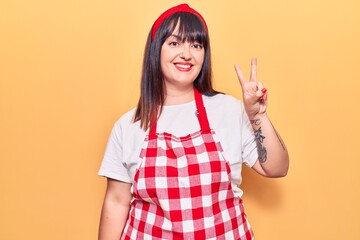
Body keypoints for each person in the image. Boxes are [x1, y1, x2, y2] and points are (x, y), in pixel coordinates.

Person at [98, 3, 289, 240]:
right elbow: (116, 203)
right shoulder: (128, 126)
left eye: (196, 45)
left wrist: (257, 115)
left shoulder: (229, 110)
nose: (186, 54)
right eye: (174, 43)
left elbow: (277, 168)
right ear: (155, 49)